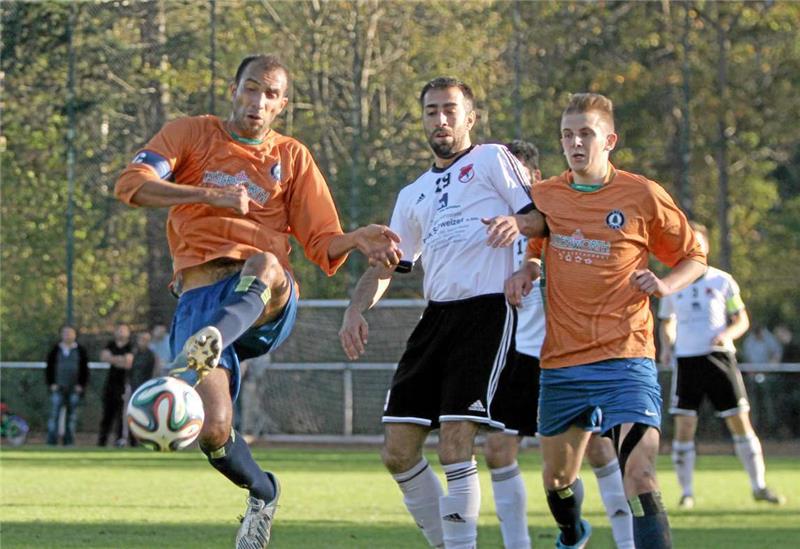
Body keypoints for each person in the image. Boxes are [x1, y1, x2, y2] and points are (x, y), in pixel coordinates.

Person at [114, 54, 400, 549]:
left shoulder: (292, 157)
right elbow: (131, 186)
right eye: (251, 89)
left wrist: (355, 238)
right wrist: (207, 194)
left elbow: (322, 242)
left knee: (266, 265)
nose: (258, 102)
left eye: (270, 95)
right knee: (213, 430)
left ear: (282, 104)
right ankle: (263, 493)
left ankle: (204, 349)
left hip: (263, 295)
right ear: (233, 89)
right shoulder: (189, 134)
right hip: (199, 298)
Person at [339, 77, 546, 549]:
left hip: (488, 312)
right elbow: (390, 265)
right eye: (432, 111)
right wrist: (355, 306)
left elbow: (540, 218)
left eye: (451, 110)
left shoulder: (493, 159)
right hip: (436, 318)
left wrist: (517, 223)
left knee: (456, 439)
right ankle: (445, 542)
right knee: (396, 451)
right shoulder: (412, 193)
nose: (441, 119)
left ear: (470, 118)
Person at [505, 93, 707, 549]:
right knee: (557, 480)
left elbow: (695, 256)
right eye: (567, 134)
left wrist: (664, 285)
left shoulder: (643, 194)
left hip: (626, 360)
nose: (575, 143)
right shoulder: (546, 196)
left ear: (610, 140)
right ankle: (573, 531)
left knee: (639, 475)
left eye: (586, 134)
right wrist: (525, 272)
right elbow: (536, 249)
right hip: (562, 365)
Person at [490, 140, 633, 549]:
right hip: (519, 355)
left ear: (533, 179)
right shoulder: (493, 224)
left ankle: (625, 541)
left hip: (572, 355)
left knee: (599, 453)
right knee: (499, 451)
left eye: (513, 177)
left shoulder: (559, 213)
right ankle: (525, 543)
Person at [658, 223, 785, 508]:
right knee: (685, 426)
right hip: (687, 362)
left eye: (699, 243)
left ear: (706, 247)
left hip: (719, 359)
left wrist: (726, 334)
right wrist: (667, 347)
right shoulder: (670, 285)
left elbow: (741, 319)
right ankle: (686, 493)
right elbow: (667, 323)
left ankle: (759, 486)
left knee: (739, 421)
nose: (695, 247)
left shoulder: (722, 281)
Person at [45, 325, 89, 446]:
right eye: (65, 333)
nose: (67, 335)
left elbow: (85, 370)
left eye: (70, 333)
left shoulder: (80, 350)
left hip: (74, 389)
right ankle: (51, 442)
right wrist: (52, 384)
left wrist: (81, 385)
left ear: (75, 335)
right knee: (54, 415)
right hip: (58, 388)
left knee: (72, 417)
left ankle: (69, 442)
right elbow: (48, 368)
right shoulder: (55, 350)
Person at [97, 323, 134, 448]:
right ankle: (102, 442)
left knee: (122, 415)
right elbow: (104, 357)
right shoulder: (110, 345)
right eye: (119, 330)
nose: (121, 332)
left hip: (125, 385)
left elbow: (128, 363)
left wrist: (113, 359)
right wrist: (120, 359)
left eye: (124, 330)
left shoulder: (131, 346)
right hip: (110, 385)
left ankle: (120, 440)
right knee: (107, 414)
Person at [128, 331, 158, 447]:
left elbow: (154, 372)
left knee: (146, 417)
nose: (143, 342)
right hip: (133, 388)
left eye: (146, 339)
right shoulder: (133, 354)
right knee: (132, 415)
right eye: (142, 339)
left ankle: (145, 441)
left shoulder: (151, 355)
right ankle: (132, 442)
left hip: (146, 390)